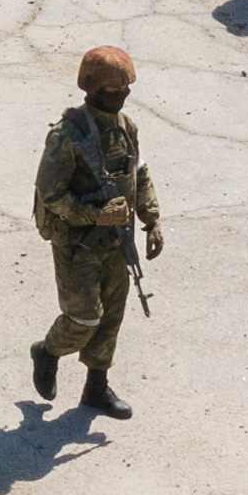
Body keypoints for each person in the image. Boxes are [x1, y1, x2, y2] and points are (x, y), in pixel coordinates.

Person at [28, 45, 154, 418]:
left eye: (125, 89)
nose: (121, 97)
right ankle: (48, 351)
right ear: (91, 89)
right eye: (113, 92)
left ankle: (96, 387)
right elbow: (51, 194)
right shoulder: (67, 136)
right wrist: (94, 215)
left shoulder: (126, 128)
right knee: (84, 317)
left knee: (112, 315)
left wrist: (152, 218)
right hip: (77, 244)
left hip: (117, 242)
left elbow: (140, 173)